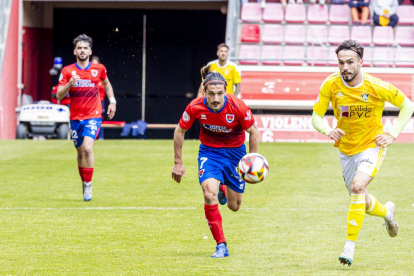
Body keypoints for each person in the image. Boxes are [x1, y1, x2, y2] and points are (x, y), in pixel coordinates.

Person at [312, 40, 414, 266]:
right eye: (341, 63)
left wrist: (393, 134)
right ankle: (387, 212)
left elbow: (408, 105)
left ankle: (348, 248)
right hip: (347, 150)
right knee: (360, 198)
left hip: (372, 145)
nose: (345, 67)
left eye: (350, 62)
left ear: (361, 61)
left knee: (358, 187)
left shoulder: (376, 86)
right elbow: (316, 116)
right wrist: (328, 130)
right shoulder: (331, 84)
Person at [173, 66, 259, 258]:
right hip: (210, 153)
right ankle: (221, 245)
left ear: (225, 91)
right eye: (211, 94)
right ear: (204, 92)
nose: (216, 99)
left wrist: (252, 160)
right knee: (208, 194)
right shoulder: (195, 106)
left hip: (235, 155)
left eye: (220, 94)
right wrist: (178, 162)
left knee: (234, 206)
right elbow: (179, 130)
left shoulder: (238, 106)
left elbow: (254, 131)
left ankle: (223, 188)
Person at [57, 34, 117, 201]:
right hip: (76, 116)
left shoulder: (99, 69)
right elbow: (59, 95)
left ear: (90, 51)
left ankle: (88, 185)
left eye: (85, 48)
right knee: (80, 151)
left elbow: (107, 84)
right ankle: (84, 182)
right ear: (74, 51)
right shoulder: (68, 71)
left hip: (93, 115)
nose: (82, 50)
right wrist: (69, 84)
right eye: (79, 48)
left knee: (88, 148)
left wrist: (112, 101)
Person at [91, 55, 106, 140]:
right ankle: (91, 137)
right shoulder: (88, 75)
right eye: (93, 64)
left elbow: (106, 87)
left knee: (100, 119)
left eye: (96, 64)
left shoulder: (102, 76)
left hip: (100, 101)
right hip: (90, 102)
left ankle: (101, 137)